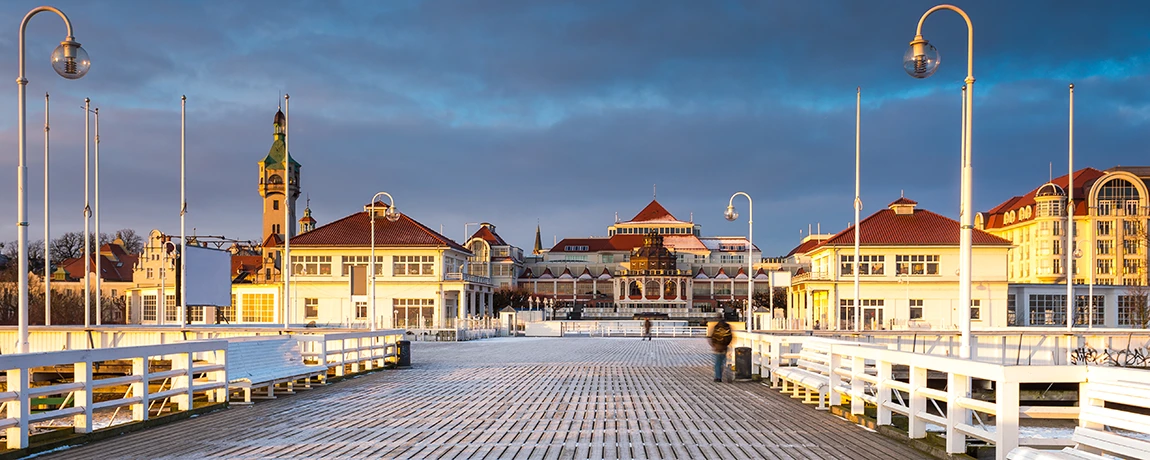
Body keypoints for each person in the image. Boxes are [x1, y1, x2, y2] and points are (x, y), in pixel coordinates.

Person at [709, 316, 733, 382]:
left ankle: (718, 377)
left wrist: (714, 345)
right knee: (723, 362)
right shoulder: (727, 327)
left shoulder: (716, 327)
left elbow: (712, 337)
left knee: (717, 363)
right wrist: (726, 344)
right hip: (724, 347)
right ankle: (724, 374)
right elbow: (730, 337)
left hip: (717, 347)